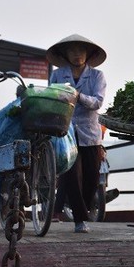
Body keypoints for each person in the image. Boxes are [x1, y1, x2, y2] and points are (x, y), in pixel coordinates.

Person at [47, 34, 107, 233]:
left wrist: (77, 96)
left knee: (92, 177)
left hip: (90, 133)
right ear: (65, 53)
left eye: (80, 50)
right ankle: (80, 220)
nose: (76, 54)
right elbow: (52, 97)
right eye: (72, 50)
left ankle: (81, 209)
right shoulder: (57, 75)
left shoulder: (97, 76)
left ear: (87, 53)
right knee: (71, 175)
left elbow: (97, 102)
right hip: (66, 132)